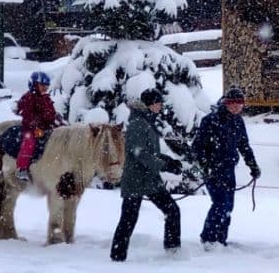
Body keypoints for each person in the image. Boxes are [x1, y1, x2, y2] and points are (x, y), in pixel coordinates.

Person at [111, 87, 182, 262]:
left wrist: (169, 161)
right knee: (129, 218)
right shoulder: (137, 123)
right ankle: (117, 256)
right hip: (135, 179)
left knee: (172, 210)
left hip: (150, 179)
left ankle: (173, 250)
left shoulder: (147, 122)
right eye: (158, 103)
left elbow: (151, 152)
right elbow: (139, 153)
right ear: (149, 104)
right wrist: (164, 166)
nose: (160, 106)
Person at [192, 86, 260, 249]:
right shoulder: (210, 120)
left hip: (229, 169)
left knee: (228, 205)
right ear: (226, 103)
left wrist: (253, 165)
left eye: (240, 103)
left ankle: (220, 239)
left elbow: (244, 146)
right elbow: (197, 147)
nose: (237, 106)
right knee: (220, 203)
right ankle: (208, 238)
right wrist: (206, 165)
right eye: (233, 103)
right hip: (213, 170)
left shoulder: (238, 121)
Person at [14, 71, 63, 180]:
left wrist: (58, 121)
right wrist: (37, 123)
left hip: (47, 127)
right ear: (34, 84)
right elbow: (26, 114)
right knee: (29, 141)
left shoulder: (46, 98)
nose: (45, 88)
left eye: (46, 86)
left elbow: (52, 113)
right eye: (42, 85)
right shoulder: (28, 97)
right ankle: (22, 169)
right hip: (31, 129)